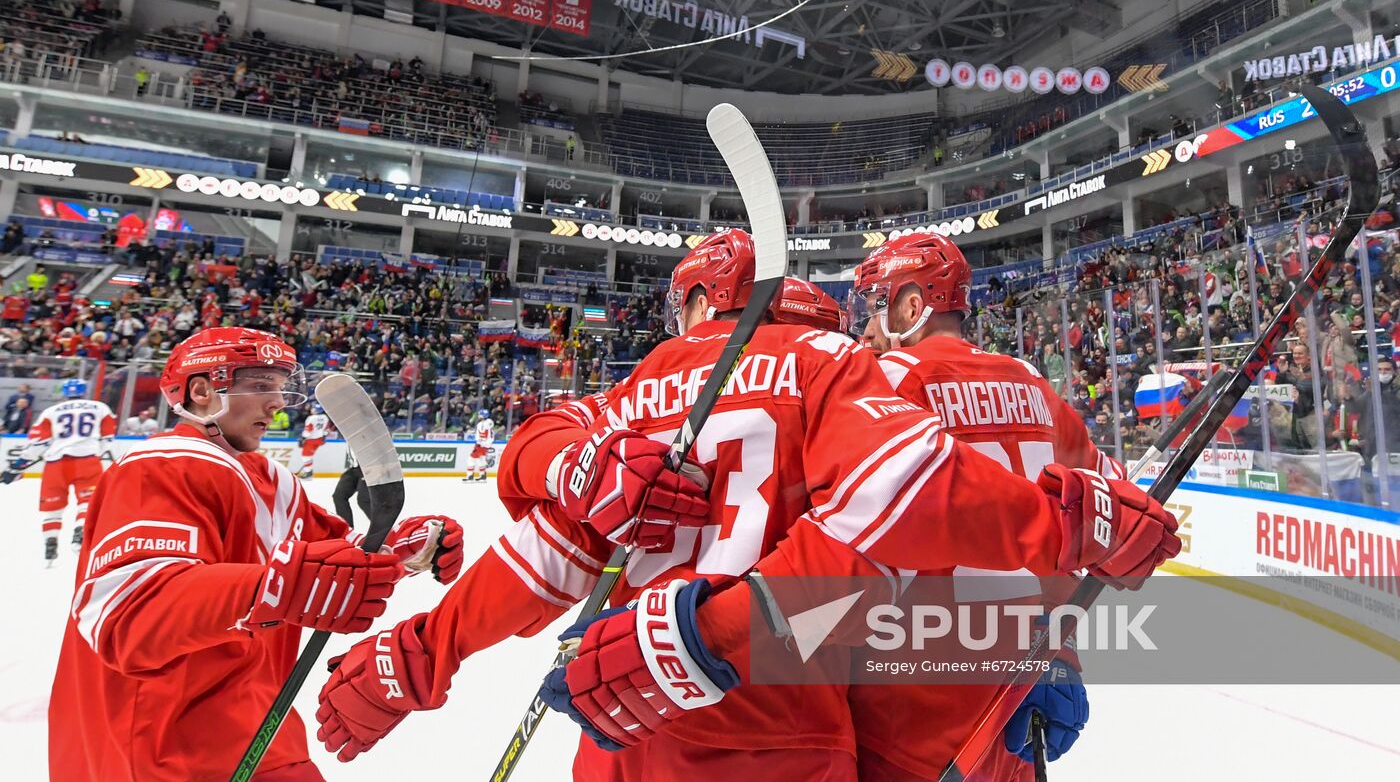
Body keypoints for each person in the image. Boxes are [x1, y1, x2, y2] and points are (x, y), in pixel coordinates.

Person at [312, 232, 1178, 777]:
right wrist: (1046, 636)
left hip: (632, 705)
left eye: (880, 307)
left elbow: (546, 535)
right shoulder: (919, 376)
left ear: (698, 302)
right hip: (839, 710)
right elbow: (1034, 525)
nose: (869, 326)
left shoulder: (658, 381)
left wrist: (425, 650)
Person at [48, 327, 466, 782]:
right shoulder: (162, 466)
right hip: (161, 746)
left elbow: (330, 566)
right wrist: (277, 587)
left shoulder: (272, 479)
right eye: (261, 384)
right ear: (203, 389)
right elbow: (128, 615)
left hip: (258, 728)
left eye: (281, 386)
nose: (278, 402)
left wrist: (396, 551)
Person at [846, 233, 1124, 781]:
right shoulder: (1033, 384)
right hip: (1020, 704)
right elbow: (1103, 509)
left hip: (913, 712)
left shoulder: (887, 382)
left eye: (878, 306)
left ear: (910, 305)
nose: (867, 327)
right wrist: (1060, 651)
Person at [1, 379, 115, 560]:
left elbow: (38, 443)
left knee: (52, 506)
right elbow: (108, 438)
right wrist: (93, 451)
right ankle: (79, 531)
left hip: (56, 464)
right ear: (84, 391)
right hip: (88, 461)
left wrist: (17, 466)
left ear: (65, 393)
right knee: (87, 501)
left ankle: (51, 541)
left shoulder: (51, 411)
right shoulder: (100, 407)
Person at [332, 446, 370, 528]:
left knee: (364, 500)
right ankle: (347, 530)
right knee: (339, 496)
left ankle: (385, 530)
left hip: (370, 467)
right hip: (354, 468)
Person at [295, 401, 330, 479]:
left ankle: (308, 472)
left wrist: (302, 438)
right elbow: (326, 430)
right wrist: (324, 435)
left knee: (305, 456)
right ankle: (308, 470)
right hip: (319, 440)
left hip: (311, 440)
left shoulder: (311, 418)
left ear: (316, 410)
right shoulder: (325, 417)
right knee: (309, 456)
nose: (311, 409)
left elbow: (308, 431)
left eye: (313, 408)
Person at [464, 408, 494, 482]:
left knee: (471, 459)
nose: (478, 416)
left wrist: (479, 443)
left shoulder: (483, 424)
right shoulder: (487, 423)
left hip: (481, 445)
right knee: (481, 460)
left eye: (480, 414)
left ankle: (470, 476)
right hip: (484, 445)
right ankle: (482, 476)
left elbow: (483, 435)